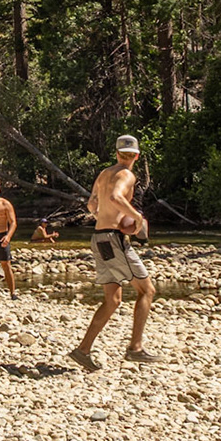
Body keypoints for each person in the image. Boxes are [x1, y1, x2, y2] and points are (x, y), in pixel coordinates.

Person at [68, 135, 160, 371]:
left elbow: (91, 205)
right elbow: (115, 197)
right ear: (136, 156)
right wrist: (137, 217)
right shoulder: (127, 175)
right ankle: (135, 348)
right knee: (147, 290)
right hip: (113, 239)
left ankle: (83, 350)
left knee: (113, 300)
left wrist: (107, 216)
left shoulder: (103, 174)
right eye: (129, 155)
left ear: (117, 153)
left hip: (98, 238)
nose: (128, 158)